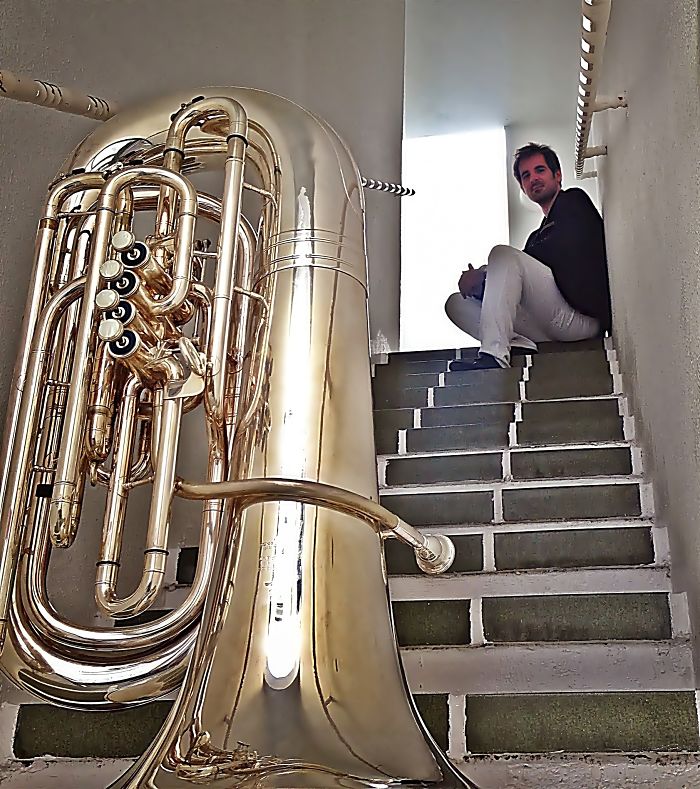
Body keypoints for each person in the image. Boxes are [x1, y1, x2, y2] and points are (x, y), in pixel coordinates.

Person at [445, 142, 611, 370]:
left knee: (502, 255)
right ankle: (516, 344)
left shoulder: (573, 201)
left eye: (539, 170)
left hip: (582, 319)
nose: (533, 178)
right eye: (526, 175)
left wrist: (485, 274)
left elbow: (559, 251)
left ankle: (494, 355)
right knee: (456, 303)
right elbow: (521, 277)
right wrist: (483, 287)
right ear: (523, 188)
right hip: (547, 324)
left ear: (558, 175)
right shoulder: (535, 237)